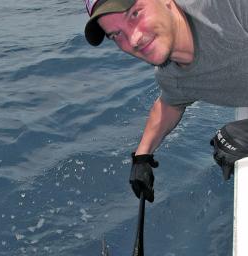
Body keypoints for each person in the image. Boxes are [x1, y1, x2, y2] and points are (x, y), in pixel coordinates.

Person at [83, 0, 248, 202]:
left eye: (135, 14)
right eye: (116, 34)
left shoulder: (229, 7)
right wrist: (142, 157)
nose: (133, 39)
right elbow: (169, 105)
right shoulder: (172, 77)